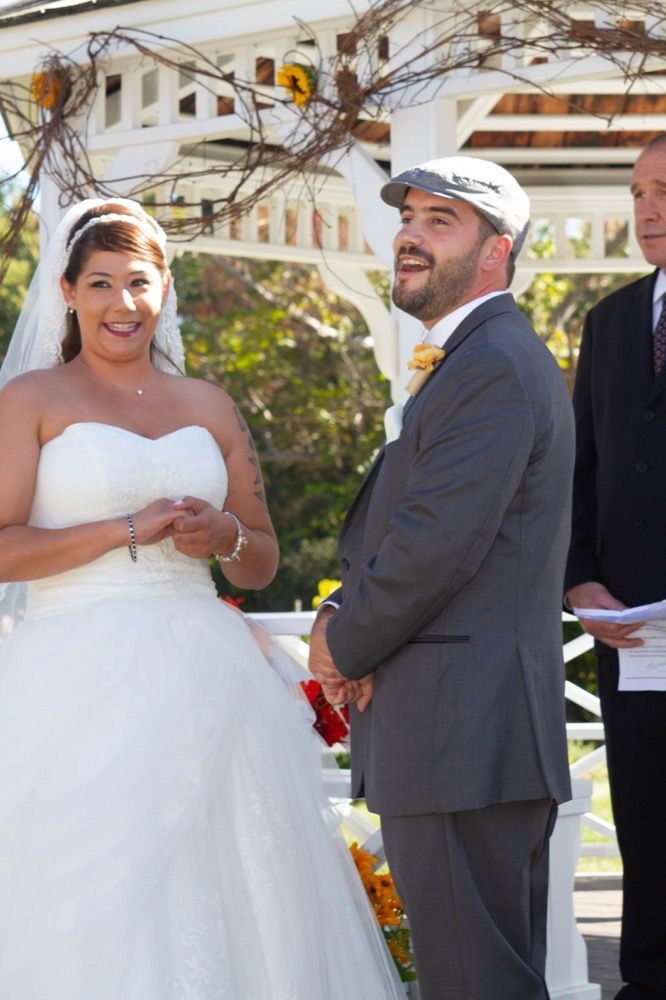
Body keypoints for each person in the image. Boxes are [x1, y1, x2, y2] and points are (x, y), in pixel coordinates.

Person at [0, 197, 405, 1000]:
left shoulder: (210, 405)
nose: (124, 304)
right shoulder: (32, 400)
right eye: (103, 284)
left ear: (165, 289)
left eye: (140, 283)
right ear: (69, 293)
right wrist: (126, 528)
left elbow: (260, 559)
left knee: (241, 881)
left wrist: (223, 534)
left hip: (208, 678)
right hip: (73, 680)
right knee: (94, 887)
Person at [308, 156, 575, 1000]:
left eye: (441, 221)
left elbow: (435, 545)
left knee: (474, 983)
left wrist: (339, 639)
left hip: (464, 732)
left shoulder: (492, 363)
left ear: (496, 251)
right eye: (410, 217)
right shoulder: (474, 358)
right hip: (466, 733)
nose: (410, 236)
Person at [565, 134, 666, 1000]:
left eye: (665, 189)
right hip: (634, 636)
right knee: (646, 824)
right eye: (638, 192)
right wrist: (579, 579)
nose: (648, 208)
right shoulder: (610, 321)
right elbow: (580, 477)